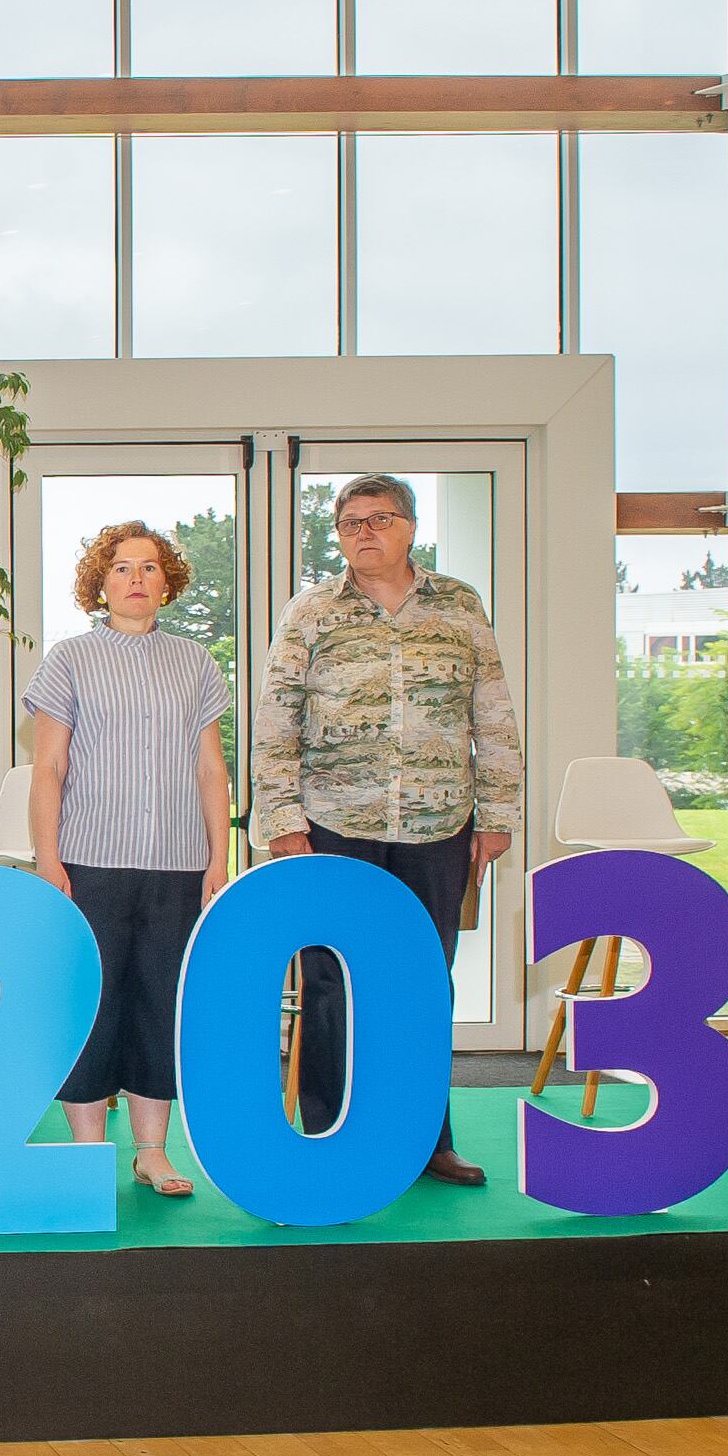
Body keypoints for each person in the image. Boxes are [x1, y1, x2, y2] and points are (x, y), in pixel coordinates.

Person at [252, 473, 522, 1189]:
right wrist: (282, 821)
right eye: (350, 522)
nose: (364, 532)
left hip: (438, 824)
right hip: (333, 825)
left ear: (410, 527)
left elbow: (492, 711)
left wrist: (498, 815)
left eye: (379, 519)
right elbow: (276, 720)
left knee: (423, 981)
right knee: (329, 981)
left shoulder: (459, 604)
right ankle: (328, 1135)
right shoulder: (311, 612)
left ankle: (427, 1139)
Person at [22, 521, 232, 1202]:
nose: (135, 578)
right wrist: (49, 859)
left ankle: (151, 1152)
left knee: (158, 1006)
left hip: (177, 863)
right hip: (89, 862)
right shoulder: (69, 659)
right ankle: (88, 1150)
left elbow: (211, 768)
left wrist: (218, 858)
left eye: (148, 567)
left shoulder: (196, 663)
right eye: (121, 568)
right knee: (91, 1004)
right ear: (100, 583)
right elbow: (49, 769)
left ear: (167, 582)